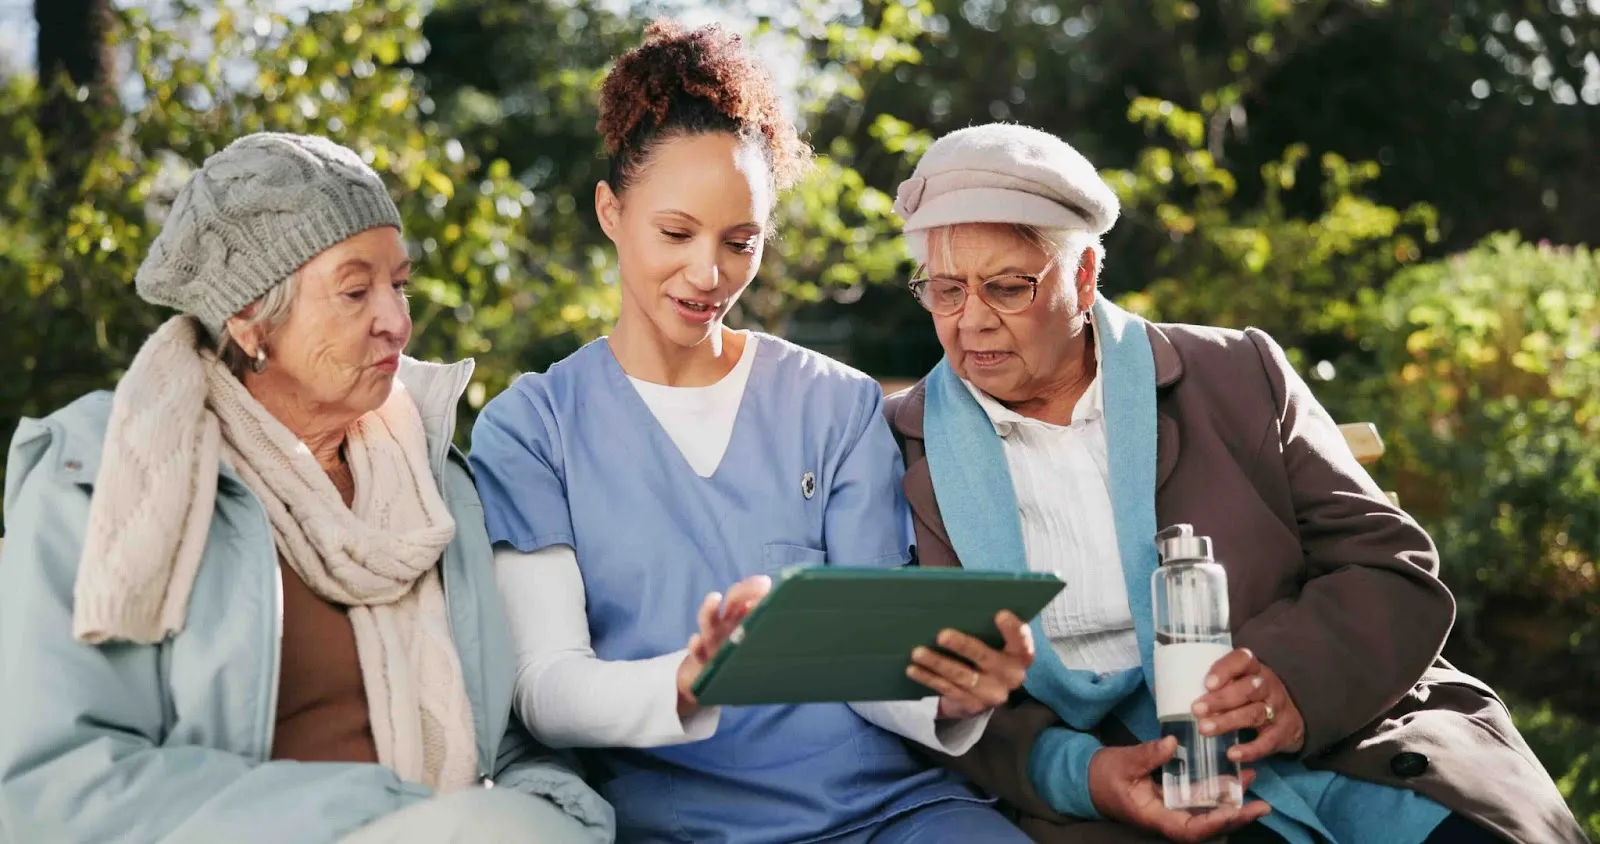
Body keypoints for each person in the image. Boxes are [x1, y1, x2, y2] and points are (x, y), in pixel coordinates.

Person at [881, 123, 1585, 844]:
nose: (971, 321)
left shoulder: (1236, 372)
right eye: (944, 290)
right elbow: (914, 687)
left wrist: (1292, 680)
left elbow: (1390, 566)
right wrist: (1080, 774)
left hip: (1353, 749)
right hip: (1123, 798)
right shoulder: (900, 446)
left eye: (1007, 286)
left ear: (1085, 276)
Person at [468, 22, 1037, 844]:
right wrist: (690, 680)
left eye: (742, 243)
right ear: (610, 212)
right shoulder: (532, 429)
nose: (710, 275)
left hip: (885, 814)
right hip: (676, 825)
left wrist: (948, 692)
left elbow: (868, 656)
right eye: (676, 233)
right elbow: (546, 687)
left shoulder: (836, 405)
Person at [0, 133, 613, 844]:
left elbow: (505, 743)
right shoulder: (103, 474)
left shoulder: (438, 486)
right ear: (250, 320)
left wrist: (553, 814)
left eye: (400, 285)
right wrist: (398, 818)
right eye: (356, 291)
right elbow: (58, 785)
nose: (398, 321)